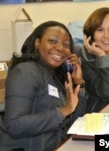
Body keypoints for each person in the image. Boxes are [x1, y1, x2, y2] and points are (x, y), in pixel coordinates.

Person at [0, 21, 86, 150]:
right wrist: (64, 110)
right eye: (52, 41)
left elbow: (74, 120)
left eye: (66, 45)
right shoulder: (25, 72)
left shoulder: (54, 76)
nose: (60, 48)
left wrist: (79, 82)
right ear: (37, 42)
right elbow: (15, 125)